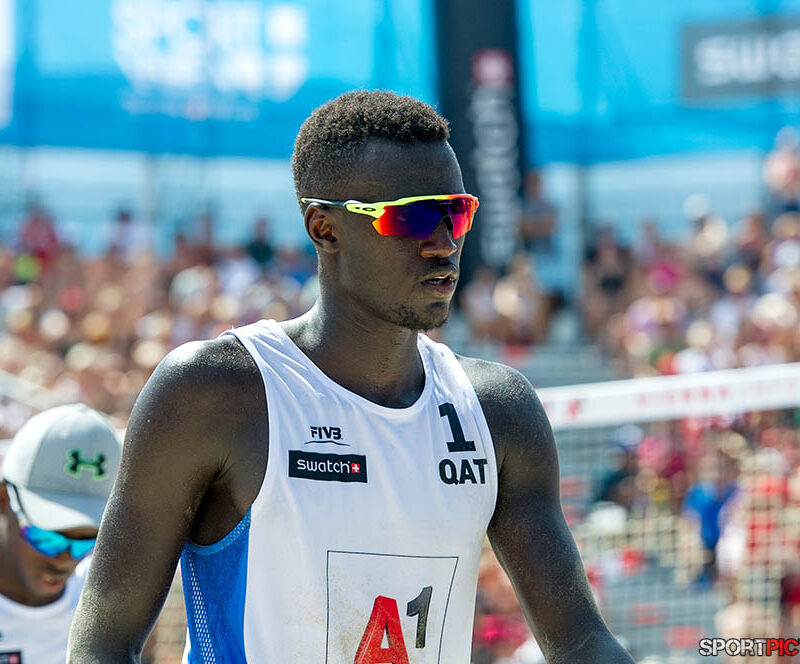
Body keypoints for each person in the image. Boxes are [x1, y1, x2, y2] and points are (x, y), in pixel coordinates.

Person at [69, 90, 633, 663]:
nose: (444, 243)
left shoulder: (498, 410)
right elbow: (101, 647)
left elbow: (583, 644)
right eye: (412, 216)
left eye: (457, 212)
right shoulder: (214, 393)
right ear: (325, 228)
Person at [0, 403, 121, 663]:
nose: (65, 559)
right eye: (48, 538)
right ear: (3, 499)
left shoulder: (106, 608)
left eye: (87, 542)